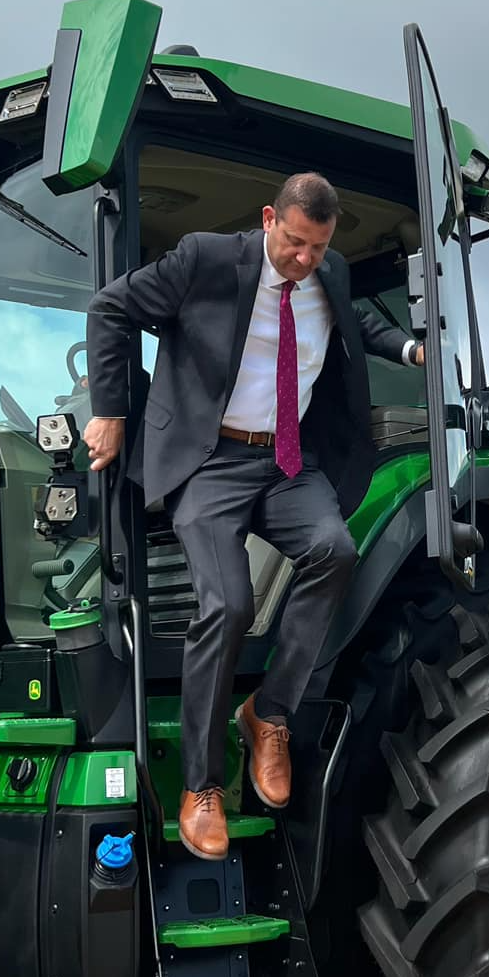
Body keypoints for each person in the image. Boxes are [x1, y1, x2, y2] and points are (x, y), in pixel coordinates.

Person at [83, 172, 424, 859]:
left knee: (334, 549)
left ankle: (268, 715)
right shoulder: (206, 257)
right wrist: (110, 410)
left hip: (285, 463)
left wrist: (411, 350)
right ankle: (201, 787)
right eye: (295, 243)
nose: (305, 260)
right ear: (270, 218)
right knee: (229, 602)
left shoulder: (327, 272)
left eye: (317, 248)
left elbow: (356, 321)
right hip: (209, 462)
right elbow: (110, 309)